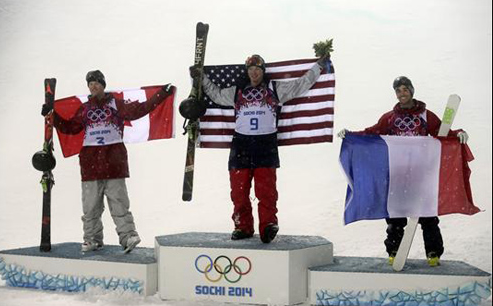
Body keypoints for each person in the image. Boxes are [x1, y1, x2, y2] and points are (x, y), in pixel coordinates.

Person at [192, 54, 329, 243]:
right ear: (247, 72)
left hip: (266, 144)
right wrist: (201, 78)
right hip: (241, 144)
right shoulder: (237, 91)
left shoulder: (274, 89)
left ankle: (268, 225)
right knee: (239, 192)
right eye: (251, 70)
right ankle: (242, 226)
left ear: (263, 71)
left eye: (257, 70)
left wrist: (319, 66)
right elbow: (215, 94)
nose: (254, 73)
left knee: (266, 191)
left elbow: (300, 85)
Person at [337, 75, 469, 266]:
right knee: (395, 215)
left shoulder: (425, 115)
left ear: (412, 91)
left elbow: (443, 130)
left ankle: (433, 252)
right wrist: (351, 136)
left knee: (427, 214)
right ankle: (394, 251)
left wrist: (458, 134)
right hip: (398, 175)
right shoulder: (390, 118)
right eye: (398, 90)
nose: (402, 93)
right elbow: (373, 132)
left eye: (405, 89)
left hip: (421, 174)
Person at [41, 70, 173, 253]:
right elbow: (70, 128)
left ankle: (128, 237)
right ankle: (92, 239)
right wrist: (53, 116)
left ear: (103, 84)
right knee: (90, 206)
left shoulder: (116, 104)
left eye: (96, 82)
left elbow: (140, 109)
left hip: (113, 162)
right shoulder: (85, 108)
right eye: (90, 83)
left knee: (119, 203)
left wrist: (162, 94)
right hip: (90, 164)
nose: (93, 86)